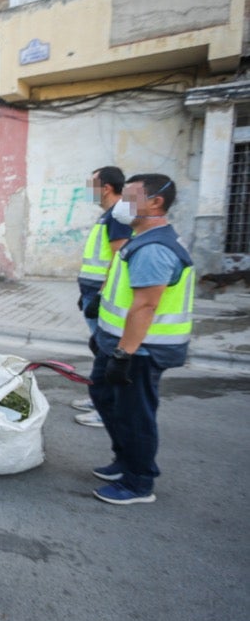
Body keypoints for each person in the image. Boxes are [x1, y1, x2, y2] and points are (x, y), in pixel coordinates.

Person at [89, 173, 194, 505]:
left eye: (130, 197)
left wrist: (123, 354)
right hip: (119, 343)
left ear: (155, 202)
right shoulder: (141, 239)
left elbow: (145, 306)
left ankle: (138, 482)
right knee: (105, 397)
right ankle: (125, 460)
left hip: (141, 351)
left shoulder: (154, 248)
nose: (122, 204)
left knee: (135, 415)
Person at [72, 166, 132, 426]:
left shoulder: (118, 216)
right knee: (99, 349)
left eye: (92, 185)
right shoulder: (109, 215)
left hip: (103, 297)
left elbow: (119, 258)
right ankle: (98, 398)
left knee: (106, 351)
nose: (89, 190)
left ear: (106, 188)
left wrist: (99, 294)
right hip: (92, 292)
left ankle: (106, 408)